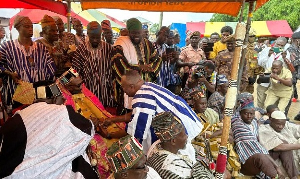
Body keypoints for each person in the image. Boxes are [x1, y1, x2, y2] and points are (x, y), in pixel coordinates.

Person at [0, 82, 98, 178]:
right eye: (61, 99)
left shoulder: (19, 114)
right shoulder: (59, 111)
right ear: (54, 98)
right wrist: (94, 123)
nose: (64, 102)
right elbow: (86, 129)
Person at [106, 70, 203, 162]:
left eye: (123, 87)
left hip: (181, 136)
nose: (123, 90)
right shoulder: (148, 86)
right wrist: (113, 120)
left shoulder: (142, 96)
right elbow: (136, 114)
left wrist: (110, 135)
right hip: (188, 126)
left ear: (131, 86)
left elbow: (136, 132)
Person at [57, 68, 127, 178]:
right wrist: (93, 126)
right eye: (78, 85)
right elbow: (75, 126)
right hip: (84, 132)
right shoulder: (65, 103)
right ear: (69, 87)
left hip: (97, 125)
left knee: (121, 130)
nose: (82, 87)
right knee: (99, 150)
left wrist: (103, 122)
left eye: (81, 83)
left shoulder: (83, 91)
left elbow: (99, 112)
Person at [0, 15, 56, 109]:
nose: (30, 29)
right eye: (26, 26)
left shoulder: (40, 47)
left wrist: (53, 91)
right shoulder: (7, 47)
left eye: (31, 26)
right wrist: (9, 73)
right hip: (18, 93)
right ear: (17, 28)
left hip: (40, 94)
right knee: (22, 119)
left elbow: (51, 70)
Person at [112, 18, 161, 113]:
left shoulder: (147, 44)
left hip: (145, 88)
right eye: (134, 33)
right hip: (127, 90)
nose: (137, 36)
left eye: (139, 33)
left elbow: (157, 59)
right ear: (128, 32)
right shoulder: (121, 44)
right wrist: (139, 67)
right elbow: (119, 64)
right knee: (127, 117)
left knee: (144, 112)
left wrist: (151, 69)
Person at [146, 111, 214, 178]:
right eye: (184, 135)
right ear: (173, 141)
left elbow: (200, 157)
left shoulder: (160, 145)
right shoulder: (170, 166)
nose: (187, 137)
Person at [231, 96, 283, 178]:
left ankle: (293, 176)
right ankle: (275, 176)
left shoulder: (254, 122)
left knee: (283, 147)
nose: (249, 116)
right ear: (240, 114)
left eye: (251, 114)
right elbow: (256, 147)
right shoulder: (238, 125)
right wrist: (276, 167)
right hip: (245, 160)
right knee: (261, 157)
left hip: (258, 152)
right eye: (246, 113)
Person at [191, 91, 240, 177]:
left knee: (227, 137)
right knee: (221, 142)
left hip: (209, 135)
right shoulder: (192, 115)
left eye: (205, 103)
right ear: (194, 104)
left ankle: (227, 168)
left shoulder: (206, 113)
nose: (204, 106)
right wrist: (221, 131)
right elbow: (200, 135)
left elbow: (212, 127)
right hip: (198, 140)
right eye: (201, 104)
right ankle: (220, 169)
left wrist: (219, 129)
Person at [72, 21, 117, 113]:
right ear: (87, 34)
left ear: (101, 34)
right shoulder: (80, 50)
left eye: (98, 37)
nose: (95, 40)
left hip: (108, 96)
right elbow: (74, 71)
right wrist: (63, 82)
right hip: (89, 95)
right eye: (92, 37)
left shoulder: (109, 49)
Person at [259, 111, 299, 179]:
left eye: (283, 124)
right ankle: (293, 177)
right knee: (283, 145)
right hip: (272, 158)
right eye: (278, 124)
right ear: (271, 120)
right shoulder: (263, 129)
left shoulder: (285, 125)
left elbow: (297, 128)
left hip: (292, 156)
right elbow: (278, 147)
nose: (281, 126)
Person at [257, 37, 289, 109]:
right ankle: (259, 114)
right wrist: (268, 55)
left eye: (282, 45)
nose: (279, 47)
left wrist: (284, 58)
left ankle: (271, 117)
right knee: (261, 97)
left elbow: (287, 67)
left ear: (285, 45)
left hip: (277, 78)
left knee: (275, 100)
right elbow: (260, 63)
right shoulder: (266, 50)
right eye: (278, 44)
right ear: (275, 42)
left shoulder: (286, 53)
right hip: (266, 75)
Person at [245, 28, 264, 93]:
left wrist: (255, 75)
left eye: (254, 36)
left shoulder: (255, 51)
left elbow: (255, 62)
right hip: (244, 76)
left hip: (252, 75)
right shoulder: (243, 49)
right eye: (251, 36)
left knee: (249, 93)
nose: (252, 38)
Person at [286, 31, 300, 100]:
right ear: (297, 40)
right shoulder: (291, 49)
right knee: (289, 96)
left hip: (296, 74)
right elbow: (293, 63)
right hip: (292, 74)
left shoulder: (297, 49)